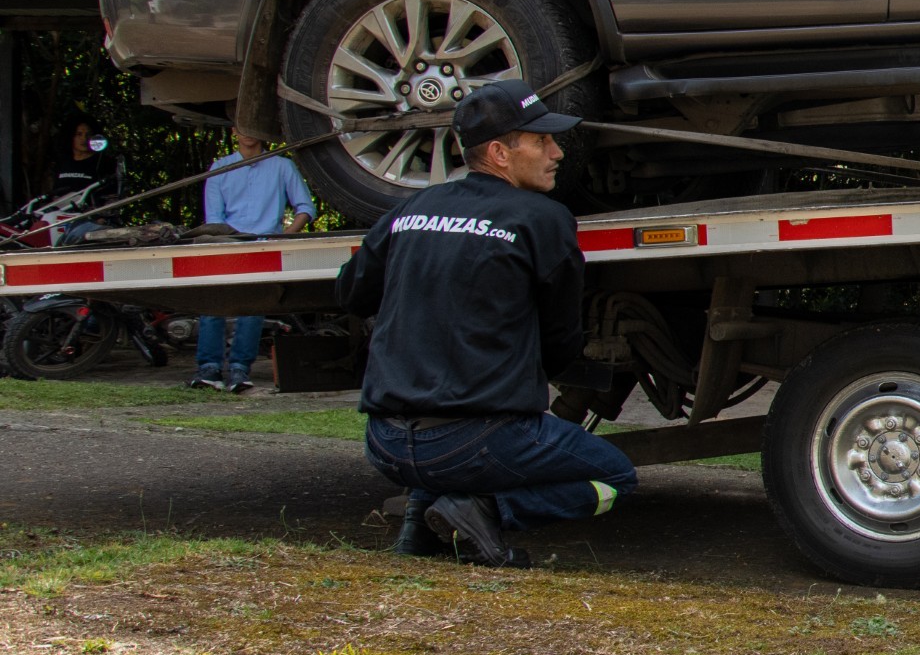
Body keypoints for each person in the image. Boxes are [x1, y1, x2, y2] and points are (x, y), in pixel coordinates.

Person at [333, 80, 634, 568]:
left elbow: (350, 294)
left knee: (456, 433)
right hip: (473, 444)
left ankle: (419, 527)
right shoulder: (543, 218)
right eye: (541, 141)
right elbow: (559, 343)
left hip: (385, 442)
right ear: (499, 152)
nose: (556, 152)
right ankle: (481, 509)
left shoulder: (412, 210)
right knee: (615, 480)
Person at [190, 129, 316, 392]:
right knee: (213, 305)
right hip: (226, 243)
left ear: (261, 130)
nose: (247, 134)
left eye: (252, 127)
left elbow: (305, 207)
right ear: (233, 131)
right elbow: (214, 217)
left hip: (263, 245)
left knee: (252, 309)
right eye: (241, 127)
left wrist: (285, 235)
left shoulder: (282, 165)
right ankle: (209, 369)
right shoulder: (220, 167)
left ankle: (239, 369)